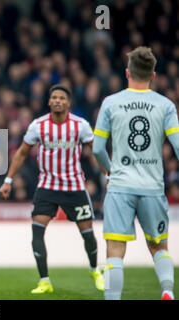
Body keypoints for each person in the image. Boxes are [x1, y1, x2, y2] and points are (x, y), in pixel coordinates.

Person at [0, 84, 104, 294]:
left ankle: (94, 269)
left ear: (68, 103)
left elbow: (97, 151)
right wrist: (8, 180)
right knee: (37, 229)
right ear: (49, 102)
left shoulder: (80, 125)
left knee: (87, 232)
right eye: (54, 97)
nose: (57, 101)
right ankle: (44, 280)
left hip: (74, 186)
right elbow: (20, 153)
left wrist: (108, 174)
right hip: (47, 185)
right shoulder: (38, 125)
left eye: (62, 98)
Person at [92, 46, 179, 300]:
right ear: (153, 76)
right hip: (152, 187)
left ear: (127, 72)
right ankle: (167, 292)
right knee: (159, 246)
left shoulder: (111, 102)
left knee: (115, 250)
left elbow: (97, 148)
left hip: (120, 186)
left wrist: (110, 170)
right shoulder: (165, 105)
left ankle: (112, 298)